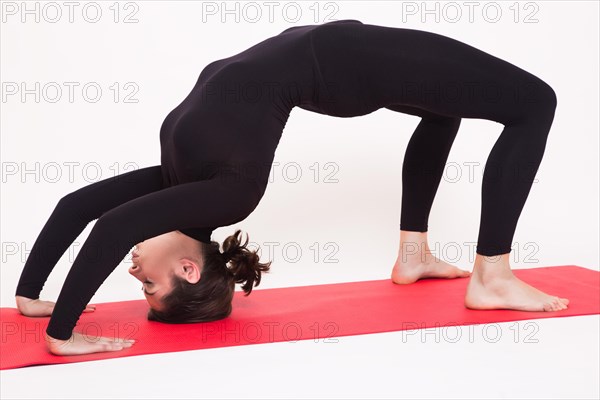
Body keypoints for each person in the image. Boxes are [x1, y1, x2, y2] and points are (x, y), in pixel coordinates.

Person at [15, 19, 568, 356]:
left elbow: (79, 207)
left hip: (341, 60)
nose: (133, 274)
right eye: (148, 288)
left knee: (443, 111)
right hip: (350, 65)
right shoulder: (230, 194)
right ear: (188, 270)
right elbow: (113, 229)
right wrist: (63, 335)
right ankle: (491, 274)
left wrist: (34, 299)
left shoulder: (184, 183)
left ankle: (414, 254)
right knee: (534, 103)